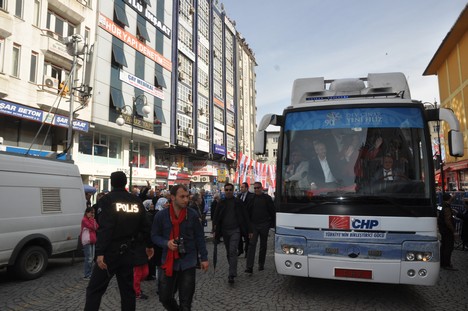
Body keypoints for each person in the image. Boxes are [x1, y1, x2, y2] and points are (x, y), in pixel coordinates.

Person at [84, 171, 154, 311]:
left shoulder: (106, 200)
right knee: (128, 291)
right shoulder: (135, 201)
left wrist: (100, 252)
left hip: (110, 252)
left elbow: (105, 228)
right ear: (125, 182)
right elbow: (146, 225)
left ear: (111, 182)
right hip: (128, 250)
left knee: (95, 290)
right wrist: (149, 245)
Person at [152, 184, 209, 310]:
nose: (186, 200)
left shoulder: (193, 215)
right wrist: (166, 243)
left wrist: (204, 258)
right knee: (164, 297)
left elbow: (200, 237)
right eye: (182, 197)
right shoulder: (161, 216)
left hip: (188, 261)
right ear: (172, 197)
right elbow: (154, 236)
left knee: (186, 302)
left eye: (187, 196)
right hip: (168, 260)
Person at [214, 183, 249, 283]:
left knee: (233, 250)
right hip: (225, 231)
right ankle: (232, 268)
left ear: (233, 191)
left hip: (235, 230)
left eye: (230, 190)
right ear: (224, 191)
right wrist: (215, 230)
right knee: (229, 252)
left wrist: (248, 230)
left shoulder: (238, 202)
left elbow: (245, 216)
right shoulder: (221, 202)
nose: (228, 191)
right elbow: (216, 217)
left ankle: (231, 274)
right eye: (227, 190)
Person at [245, 181, 275, 274]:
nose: (256, 189)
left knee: (263, 245)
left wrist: (271, 224)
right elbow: (247, 212)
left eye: (258, 188)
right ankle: (249, 267)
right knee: (251, 245)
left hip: (264, 225)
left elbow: (272, 211)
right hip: (253, 225)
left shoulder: (267, 198)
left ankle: (261, 263)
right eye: (255, 188)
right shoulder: (251, 198)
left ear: (261, 188)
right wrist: (248, 226)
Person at [438, 193, 457, 270]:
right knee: (448, 247)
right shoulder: (446, 207)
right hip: (447, 230)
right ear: (449, 198)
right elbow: (448, 220)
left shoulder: (441, 205)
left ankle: (442, 262)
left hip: (442, 229)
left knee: (443, 246)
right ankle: (446, 264)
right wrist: (454, 231)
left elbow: (439, 213)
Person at [81, 207, 99, 280]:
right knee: (88, 258)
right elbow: (92, 227)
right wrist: (93, 220)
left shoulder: (92, 220)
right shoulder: (84, 220)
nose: (92, 214)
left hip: (92, 240)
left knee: (91, 258)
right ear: (87, 212)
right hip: (87, 241)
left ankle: (90, 273)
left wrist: (93, 220)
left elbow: (97, 227)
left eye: (93, 213)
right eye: (91, 212)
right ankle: (87, 274)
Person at [237, 182, 254, 257]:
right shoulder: (239, 196)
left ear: (247, 188)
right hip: (239, 220)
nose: (241, 188)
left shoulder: (251, 196)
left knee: (247, 238)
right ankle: (240, 250)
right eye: (241, 187)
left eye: (242, 187)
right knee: (238, 237)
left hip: (247, 221)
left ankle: (247, 251)